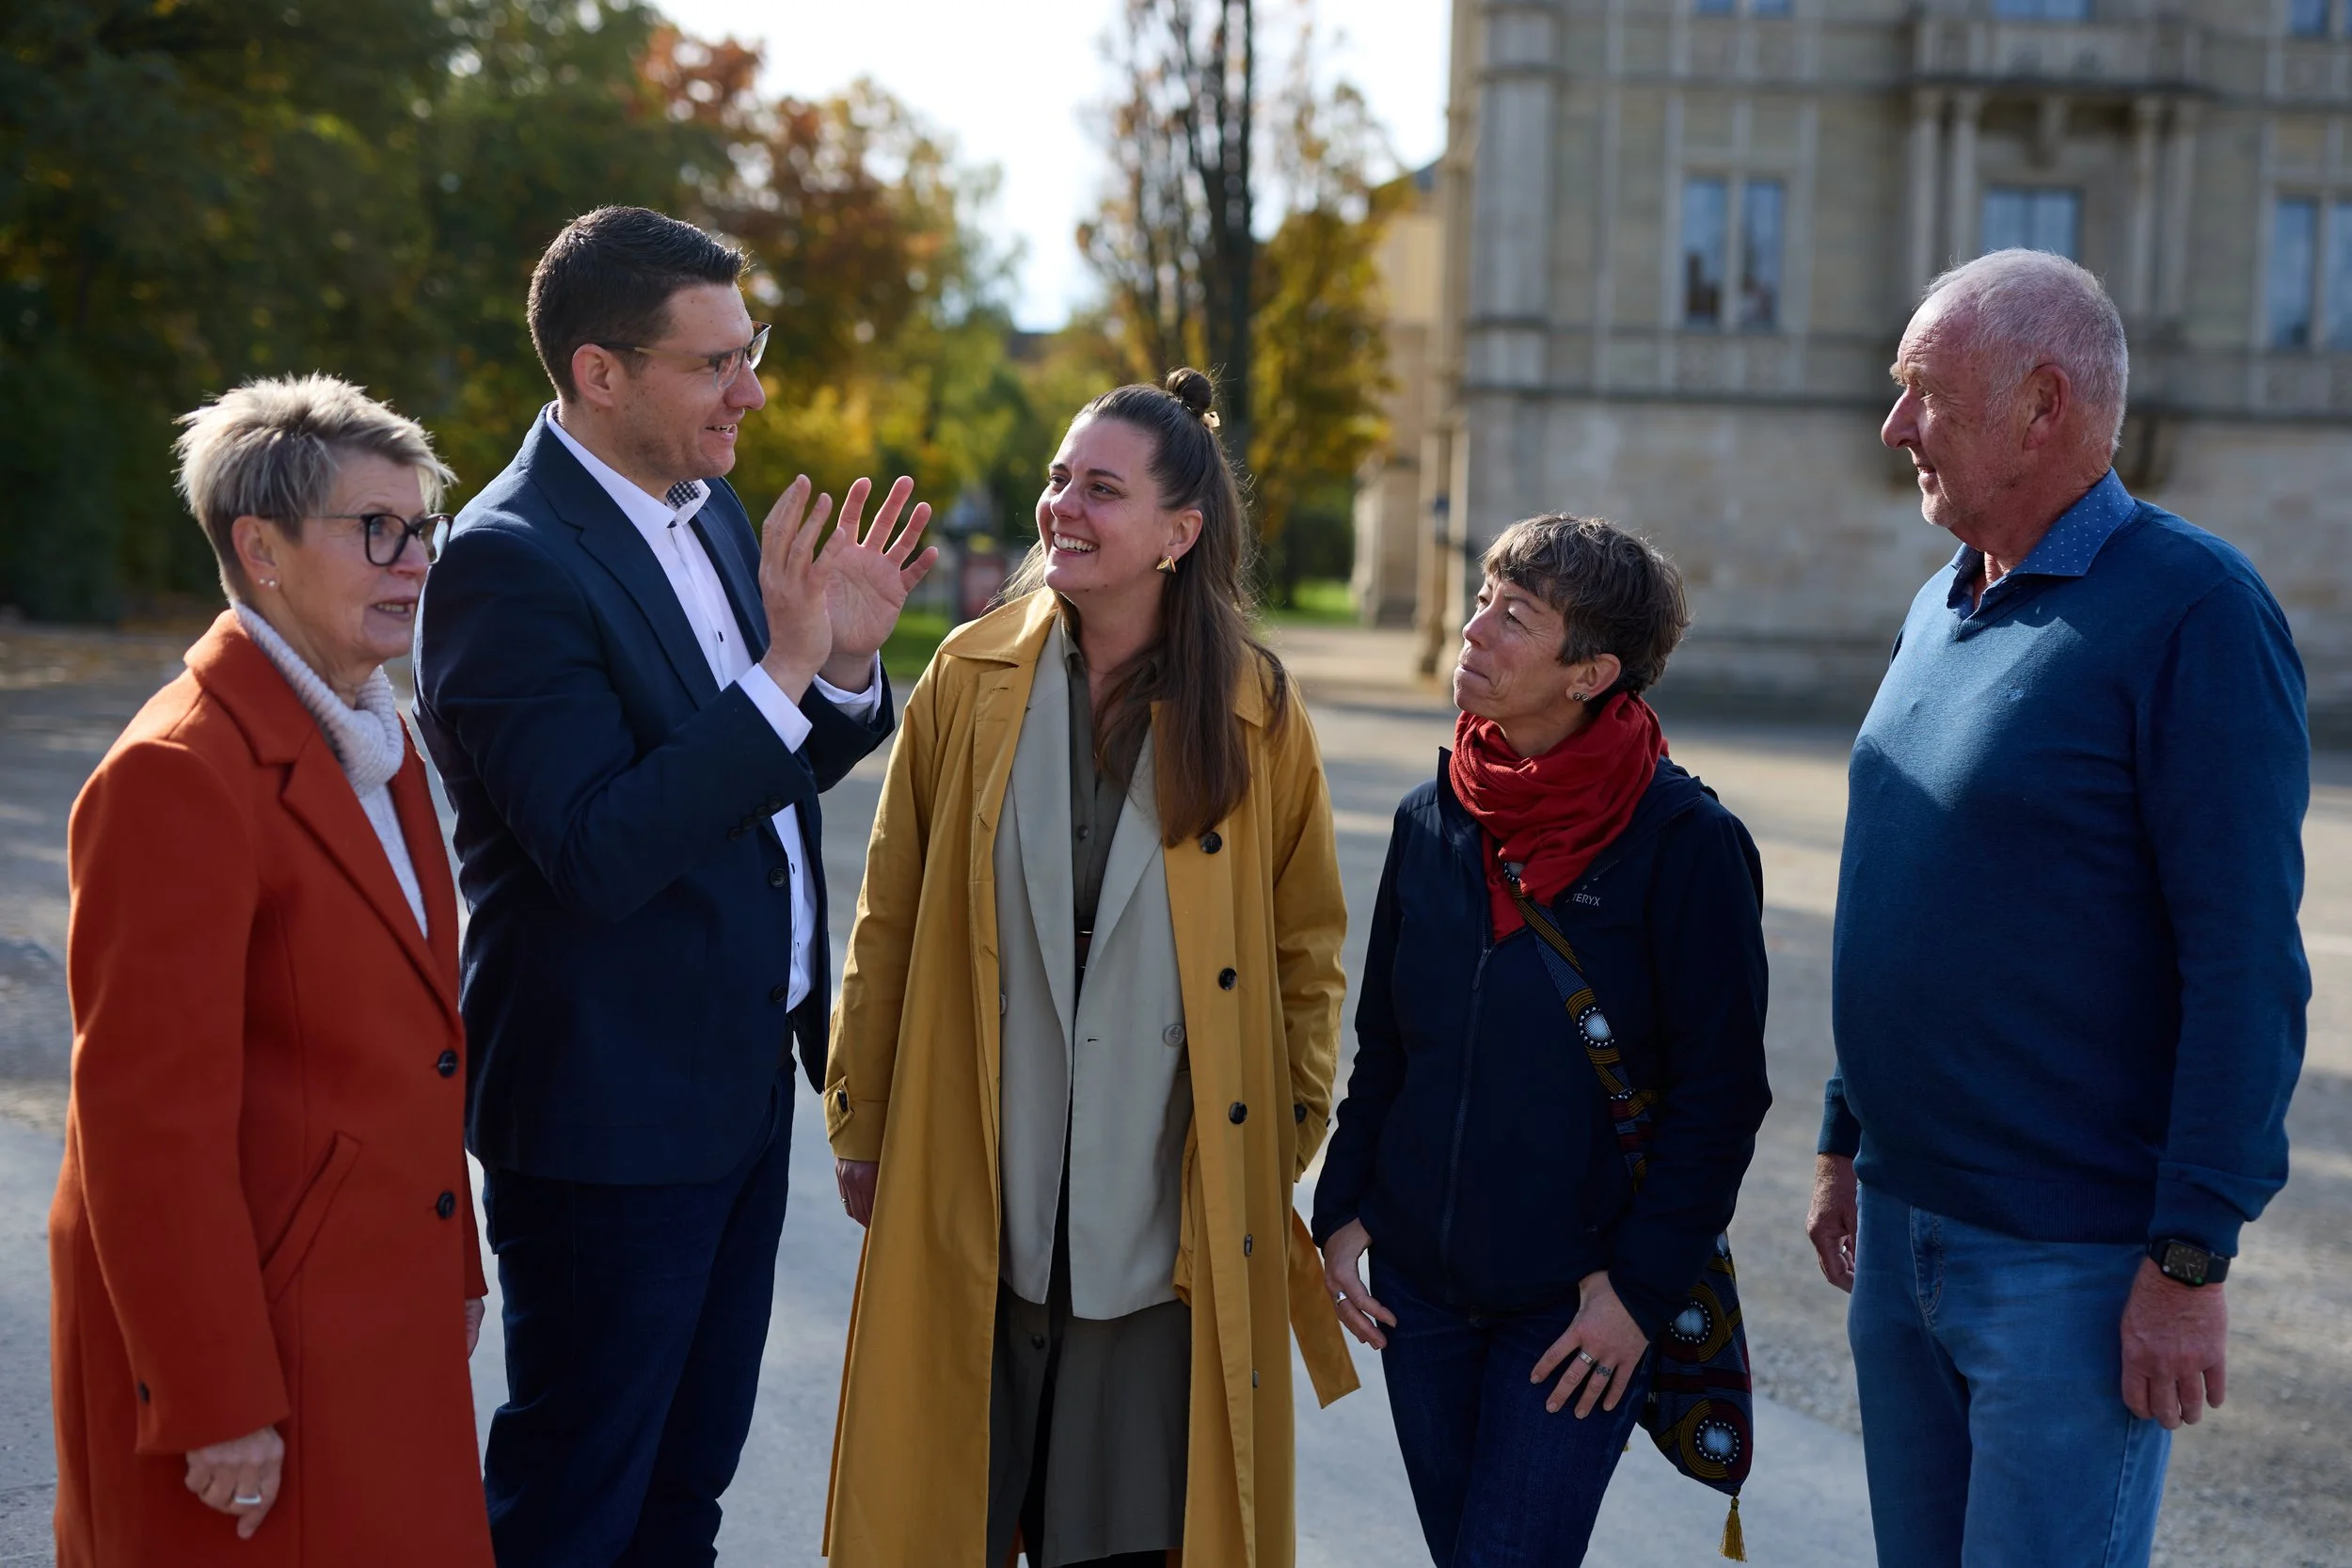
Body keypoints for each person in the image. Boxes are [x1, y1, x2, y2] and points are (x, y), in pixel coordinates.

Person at [412, 205, 935, 1565]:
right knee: (578, 1495)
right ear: (601, 371)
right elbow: (601, 845)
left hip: (736, 1082)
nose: (749, 390)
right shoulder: (505, 562)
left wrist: (838, 673)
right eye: (715, 363)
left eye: (745, 352)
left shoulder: (709, 515)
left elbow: (746, 775)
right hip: (606, 1114)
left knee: (684, 1488)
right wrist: (779, 677)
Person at [1804, 250, 2311, 1568]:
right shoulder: (1943, 601)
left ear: (2043, 403)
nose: (1895, 423)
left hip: (2068, 1265)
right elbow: (1908, 874)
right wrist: (1846, 1131)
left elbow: (2245, 958)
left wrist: (2191, 1258)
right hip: (1907, 1227)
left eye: (1925, 390)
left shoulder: (2195, 610)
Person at [818, 369, 1356, 1566]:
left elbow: (1304, 956)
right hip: (976, 1168)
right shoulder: (966, 676)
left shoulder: (1259, 710)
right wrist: (860, 1114)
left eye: (1100, 489)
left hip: (1160, 1207)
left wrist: (1275, 1137)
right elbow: (889, 913)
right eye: (1060, 479)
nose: (1063, 504)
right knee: (950, 1506)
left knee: (1127, 1534)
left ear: (1180, 532)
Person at [49, 375, 491, 1564]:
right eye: (376, 530)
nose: (413, 562)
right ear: (262, 548)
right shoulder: (176, 773)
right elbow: (144, 1125)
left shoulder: (376, 738)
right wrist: (213, 1395)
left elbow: (417, 1033)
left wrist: (455, 1252)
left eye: (421, 531)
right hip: (265, 1350)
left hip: (373, 1310)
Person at [1312, 515, 1772, 1567]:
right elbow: (1385, 1044)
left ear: (1591, 671)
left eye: (1513, 616)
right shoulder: (1431, 818)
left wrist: (1637, 1297)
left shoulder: (1688, 846)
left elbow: (1720, 1097)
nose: (1472, 629)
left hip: (1575, 1314)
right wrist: (1341, 1209)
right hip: (1419, 1300)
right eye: (1482, 598)